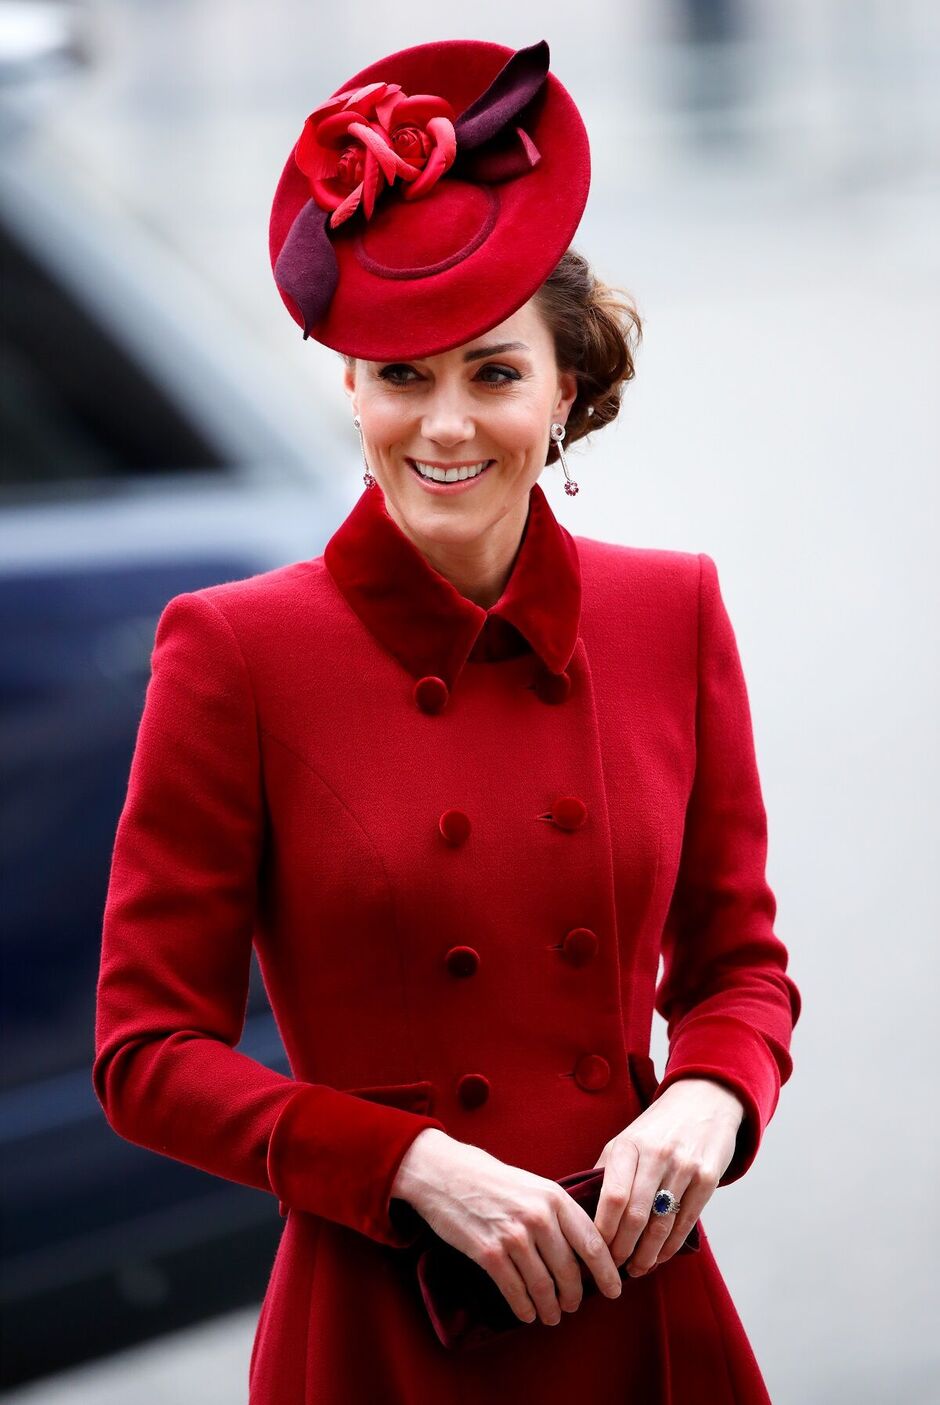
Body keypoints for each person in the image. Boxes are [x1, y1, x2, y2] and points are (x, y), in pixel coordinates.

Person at [92, 36, 802, 1404]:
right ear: (349, 384)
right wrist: (403, 1163)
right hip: (383, 1323)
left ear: (568, 389)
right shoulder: (234, 649)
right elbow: (144, 1052)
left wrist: (713, 1100)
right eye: (401, 376)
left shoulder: (673, 613)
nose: (446, 426)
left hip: (638, 1307)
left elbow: (739, 969)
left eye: (493, 373)